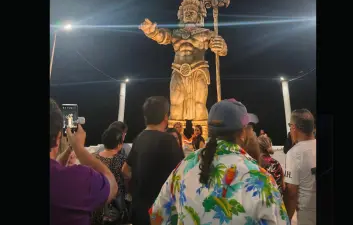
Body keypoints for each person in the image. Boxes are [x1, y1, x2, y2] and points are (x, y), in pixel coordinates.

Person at [149, 99, 289, 225]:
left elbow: (156, 216)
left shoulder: (183, 167)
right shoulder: (260, 178)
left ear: (209, 131)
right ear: (242, 133)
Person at [50, 98, 118, 225]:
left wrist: (71, 147)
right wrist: (79, 148)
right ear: (58, 136)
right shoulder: (80, 179)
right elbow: (112, 186)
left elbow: (55, 168)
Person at [121, 96, 184, 225]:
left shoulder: (139, 138)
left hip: (138, 209)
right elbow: (183, 174)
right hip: (159, 212)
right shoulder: (169, 141)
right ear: (166, 117)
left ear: (146, 117)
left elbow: (125, 170)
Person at [284, 109, 316, 225]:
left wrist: (287, 219)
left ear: (293, 127)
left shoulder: (294, 153)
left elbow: (292, 193)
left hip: (307, 216)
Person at [92, 127, 128, 225]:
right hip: (115, 202)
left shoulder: (94, 157)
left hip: (97, 201)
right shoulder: (122, 160)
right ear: (119, 144)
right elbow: (126, 178)